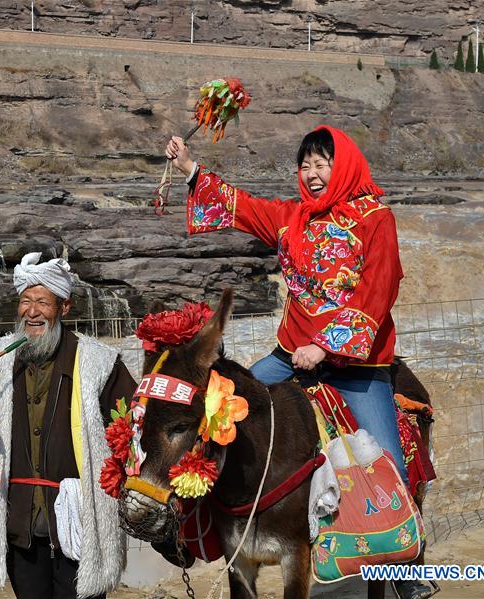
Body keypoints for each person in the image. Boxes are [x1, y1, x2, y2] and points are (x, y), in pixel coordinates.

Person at [166, 125, 408, 482]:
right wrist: (189, 166)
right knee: (221, 408)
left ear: (343, 167)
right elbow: (242, 206)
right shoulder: (292, 219)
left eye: (321, 165)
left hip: (359, 364)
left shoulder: (375, 220)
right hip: (290, 355)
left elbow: (377, 293)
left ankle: (404, 533)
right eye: (304, 166)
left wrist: (324, 348)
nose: (311, 175)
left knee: (390, 467)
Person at [0, 252, 136, 599]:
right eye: (26, 301)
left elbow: (130, 427)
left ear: (64, 308)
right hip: (21, 521)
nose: (32, 312)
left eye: (43, 302)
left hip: (79, 521)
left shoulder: (99, 364)